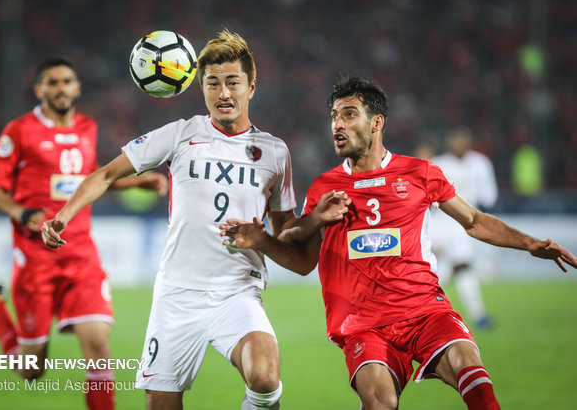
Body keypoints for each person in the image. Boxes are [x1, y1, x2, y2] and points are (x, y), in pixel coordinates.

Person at [218, 76, 577, 410]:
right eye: (334, 116)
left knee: (474, 375)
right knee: (379, 403)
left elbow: (475, 221)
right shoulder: (324, 188)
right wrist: (289, 229)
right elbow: (299, 249)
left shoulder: (420, 173)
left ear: (377, 123)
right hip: (363, 324)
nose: (337, 125)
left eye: (349, 114)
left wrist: (530, 244)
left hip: (424, 309)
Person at [41, 31, 296, 410]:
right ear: (200, 87)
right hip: (178, 294)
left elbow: (287, 230)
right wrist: (62, 216)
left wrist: (272, 238)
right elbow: (105, 175)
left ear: (251, 87)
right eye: (213, 83)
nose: (223, 94)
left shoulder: (275, 153)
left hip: (238, 290)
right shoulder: (181, 134)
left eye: (232, 83)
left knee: (264, 375)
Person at [0, 57, 168, 410]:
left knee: (99, 348)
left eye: (66, 81)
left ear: (77, 88)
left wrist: (136, 181)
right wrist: (20, 212)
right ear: (39, 89)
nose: (60, 88)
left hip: (81, 255)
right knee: (31, 369)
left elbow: (85, 180)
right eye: (52, 82)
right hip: (36, 260)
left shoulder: (87, 127)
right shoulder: (19, 130)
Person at [417, 128, 499, 329]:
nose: (458, 143)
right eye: (455, 139)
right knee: (462, 265)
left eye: (462, 139)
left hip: (464, 222)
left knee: (444, 270)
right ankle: (478, 315)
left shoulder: (481, 163)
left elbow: (489, 196)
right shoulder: (440, 163)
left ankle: (422, 311)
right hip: (442, 222)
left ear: (469, 141)